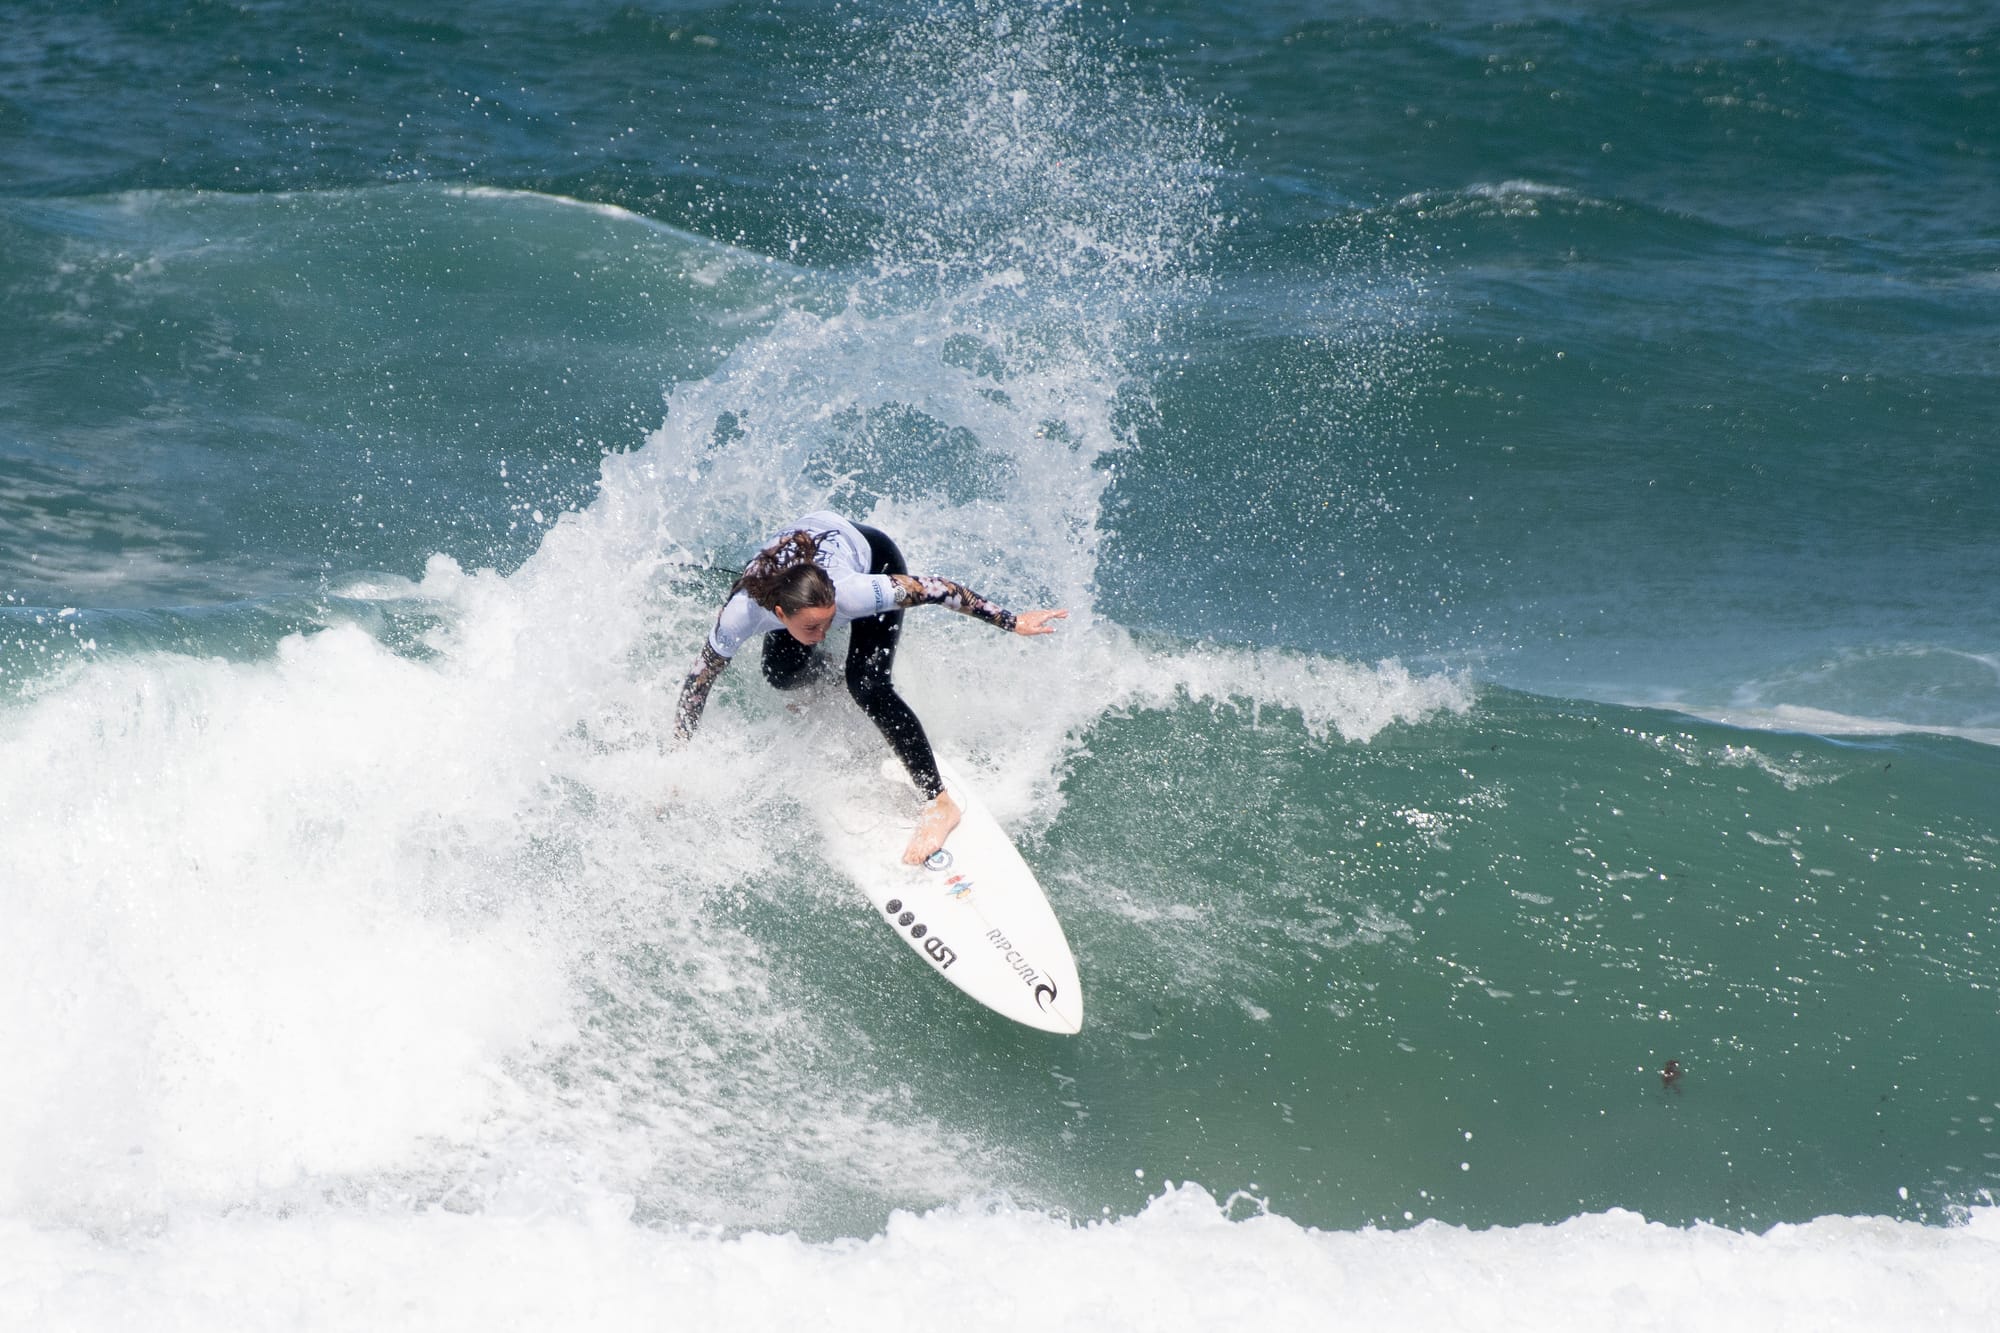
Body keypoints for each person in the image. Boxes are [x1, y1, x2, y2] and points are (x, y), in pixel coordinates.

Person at [674, 511, 1066, 863]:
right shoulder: (742, 614)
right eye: (812, 627)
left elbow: (941, 589)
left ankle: (940, 803)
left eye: (829, 623)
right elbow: (698, 682)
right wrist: (678, 760)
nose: (824, 632)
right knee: (780, 676)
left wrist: (1012, 621)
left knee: (867, 685)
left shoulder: (857, 592)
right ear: (779, 614)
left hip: (871, 555)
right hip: (796, 583)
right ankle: (831, 683)